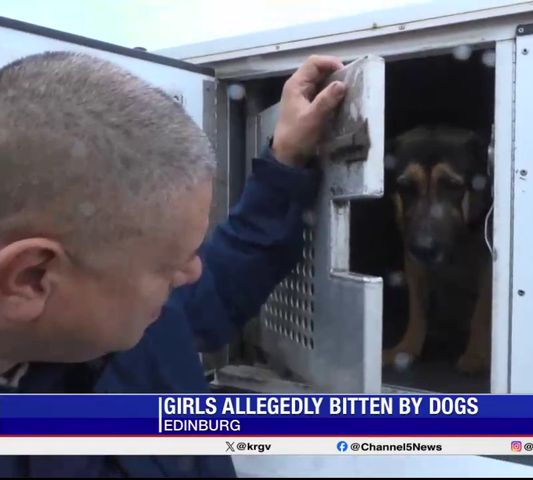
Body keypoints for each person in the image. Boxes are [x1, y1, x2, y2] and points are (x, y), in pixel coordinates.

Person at [0, 51, 347, 476]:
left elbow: (219, 283)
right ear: (32, 278)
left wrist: (286, 160)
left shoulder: (129, 319)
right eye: (167, 265)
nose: (193, 272)